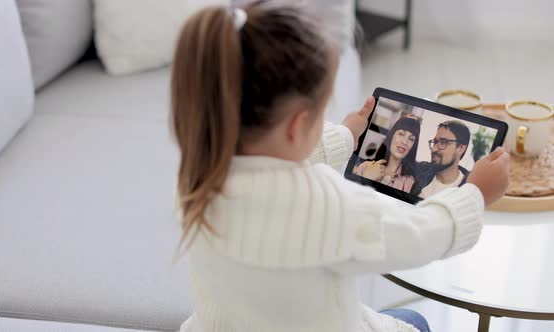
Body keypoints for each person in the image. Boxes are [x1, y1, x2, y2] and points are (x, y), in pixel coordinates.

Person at [170, 2, 510, 332]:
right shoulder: (323, 205)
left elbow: (278, 163)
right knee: (417, 322)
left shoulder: (199, 173)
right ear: (296, 126)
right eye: (321, 113)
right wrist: (474, 194)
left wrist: (346, 134)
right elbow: (421, 234)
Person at [353, 116, 420, 192]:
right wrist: (367, 177)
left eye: (411, 139)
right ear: (392, 136)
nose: (404, 142)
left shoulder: (410, 182)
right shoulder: (366, 166)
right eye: (401, 134)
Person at [413, 121, 472, 198]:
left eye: (443, 142)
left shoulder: (467, 191)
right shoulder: (418, 173)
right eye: (435, 142)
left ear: (460, 149)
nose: (434, 149)